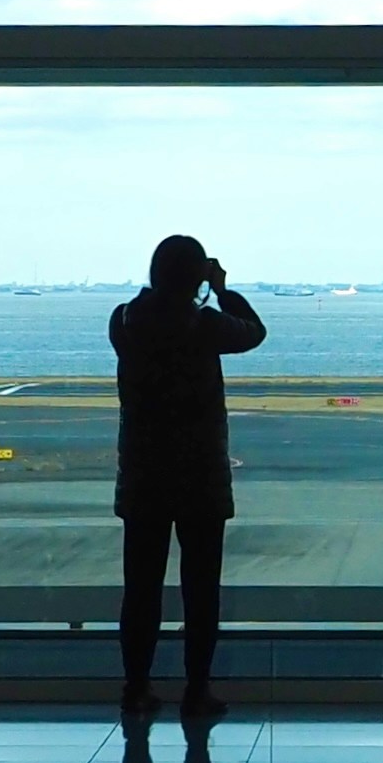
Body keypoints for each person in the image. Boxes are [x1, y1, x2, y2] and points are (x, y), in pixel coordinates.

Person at [109, 234, 267, 718]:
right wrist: (219, 288)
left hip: (143, 475)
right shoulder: (205, 326)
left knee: (141, 589)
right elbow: (254, 332)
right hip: (199, 476)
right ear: (195, 276)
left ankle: (136, 687)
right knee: (200, 591)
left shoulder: (124, 321)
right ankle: (197, 688)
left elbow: (138, 310)